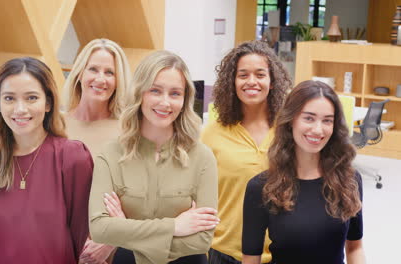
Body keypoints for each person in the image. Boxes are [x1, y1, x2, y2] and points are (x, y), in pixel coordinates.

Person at [88, 50, 219, 264]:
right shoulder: (110, 154)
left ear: (185, 99)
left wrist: (126, 231)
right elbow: (100, 229)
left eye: (175, 93)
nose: (165, 102)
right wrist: (175, 227)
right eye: (155, 91)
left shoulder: (203, 158)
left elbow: (202, 240)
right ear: (140, 93)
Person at [0, 57, 93, 264]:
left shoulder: (73, 158)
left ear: (48, 103)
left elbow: (77, 235)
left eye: (31, 98)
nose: (20, 109)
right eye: (9, 98)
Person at [242, 80, 365, 264]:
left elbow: (355, 247)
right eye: (309, 118)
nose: (318, 129)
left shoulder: (349, 180)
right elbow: (251, 259)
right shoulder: (261, 187)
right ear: (291, 120)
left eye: (327, 121)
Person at [201, 40, 292, 264]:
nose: (252, 81)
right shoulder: (211, 134)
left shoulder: (289, 130)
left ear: (272, 82)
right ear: (232, 82)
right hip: (223, 252)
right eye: (243, 75)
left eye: (260, 74)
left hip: (279, 253)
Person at [63, 38, 131, 155]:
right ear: (80, 73)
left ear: (118, 81)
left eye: (109, 72)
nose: (100, 79)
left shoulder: (127, 131)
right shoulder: (57, 124)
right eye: (93, 69)